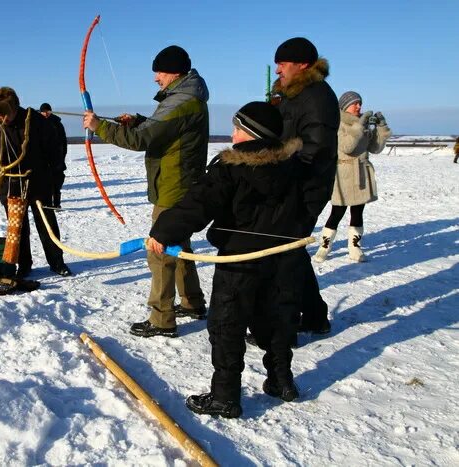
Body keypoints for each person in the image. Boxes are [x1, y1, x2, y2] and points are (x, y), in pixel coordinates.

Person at [147, 102, 306, 418]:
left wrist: (163, 231)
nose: (232, 134)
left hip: (240, 261)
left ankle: (225, 396)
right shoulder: (296, 165)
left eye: (237, 128)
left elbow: (198, 205)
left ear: (250, 133)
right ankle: (281, 380)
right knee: (275, 318)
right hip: (284, 257)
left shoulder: (231, 167)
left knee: (227, 325)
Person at [83, 45, 208, 338]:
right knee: (180, 245)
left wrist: (99, 126)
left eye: (160, 72)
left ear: (174, 71)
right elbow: (160, 131)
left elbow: (142, 140)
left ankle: (162, 319)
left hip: (174, 186)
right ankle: (191, 303)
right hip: (180, 182)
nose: (156, 78)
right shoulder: (184, 98)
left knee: (160, 249)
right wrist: (139, 120)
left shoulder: (181, 101)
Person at [0, 87, 72, 278]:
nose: (2, 118)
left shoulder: (36, 122)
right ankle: (25, 265)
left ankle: (56, 262)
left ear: (15, 107)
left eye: (5, 114)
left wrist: (55, 179)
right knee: (18, 229)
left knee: (47, 225)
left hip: (38, 184)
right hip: (10, 186)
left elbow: (54, 151)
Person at [271, 37, 340, 334]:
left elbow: (316, 149)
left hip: (304, 187)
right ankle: (315, 316)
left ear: (303, 65)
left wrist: (287, 179)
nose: (277, 70)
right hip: (291, 183)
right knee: (292, 250)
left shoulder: (316, 97)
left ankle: (283, 327)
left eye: (283, 64)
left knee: (284, 254)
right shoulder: (294, 95)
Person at [314, 91, 391, 262]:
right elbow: (348, 147)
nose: (359, 106)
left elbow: (375, 148)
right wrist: (359, 127)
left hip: (361, 175)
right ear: (345, 106)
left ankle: (355, 248)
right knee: (337, 212)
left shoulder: (362, 124)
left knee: (358, 212)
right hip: (343, 176)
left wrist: (381, 128)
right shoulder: (339, 124)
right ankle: (324, 247)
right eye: (355, 103)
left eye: (360, 103)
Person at [39, 103, 68, 207]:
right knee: (44, 183)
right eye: (44, 111)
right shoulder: (37, 122)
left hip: (57, 158)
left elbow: (63, 141)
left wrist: (62, 156)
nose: (46, 113)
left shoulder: (57, 123)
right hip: (42, 159)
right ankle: (45, 204)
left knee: (57, 182)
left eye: (48, 111)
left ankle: (56, 204)